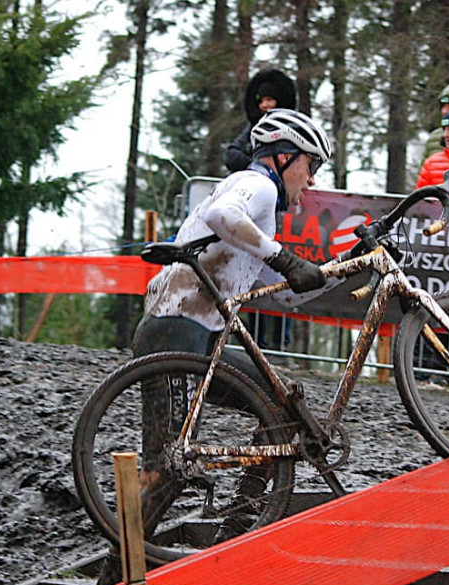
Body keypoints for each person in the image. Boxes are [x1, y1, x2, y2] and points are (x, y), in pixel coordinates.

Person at [132, 108, 334, 545]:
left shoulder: (260, 214)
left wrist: (338, 273)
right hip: (177, 330)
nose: (312, 179)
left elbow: (284, 291)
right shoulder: (257, 184)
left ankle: (238, 525)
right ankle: (114, 576)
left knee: (281, 407)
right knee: (165, 469)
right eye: (311, 165)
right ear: (284, 157)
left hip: (197, 336)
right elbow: (223, 213)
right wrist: (284, 257)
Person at [224, 68, 299, 349]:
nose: (266, 106)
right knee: (249, 272)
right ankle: (248, 336)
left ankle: (280, 343)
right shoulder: (252, 131)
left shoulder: (292, 132)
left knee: (280, 273)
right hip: (252, 211)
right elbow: (230, 154)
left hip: (280, 216)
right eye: (262, 100)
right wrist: (258, 164)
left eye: (271, 100)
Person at [224, 68, 298, 173]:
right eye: (261, 101)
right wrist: (254, 165)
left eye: (269, 100)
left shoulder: (292, 129)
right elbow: (232, 155)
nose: (264, 105)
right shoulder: (254, 128)